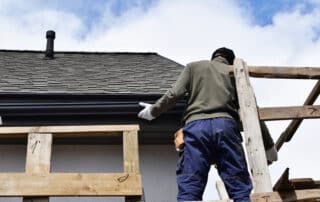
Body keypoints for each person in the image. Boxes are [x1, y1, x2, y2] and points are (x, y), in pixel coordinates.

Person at [138, 48, 261, 201]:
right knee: (239, 187)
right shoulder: (235, 72)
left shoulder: (193, 67)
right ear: (230, 61)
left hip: (196, 128)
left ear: (213, 57)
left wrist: (153, 111)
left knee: (190, 186)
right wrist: (268, 146)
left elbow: (174, 94)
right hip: (225, 126)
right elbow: (252, 110)